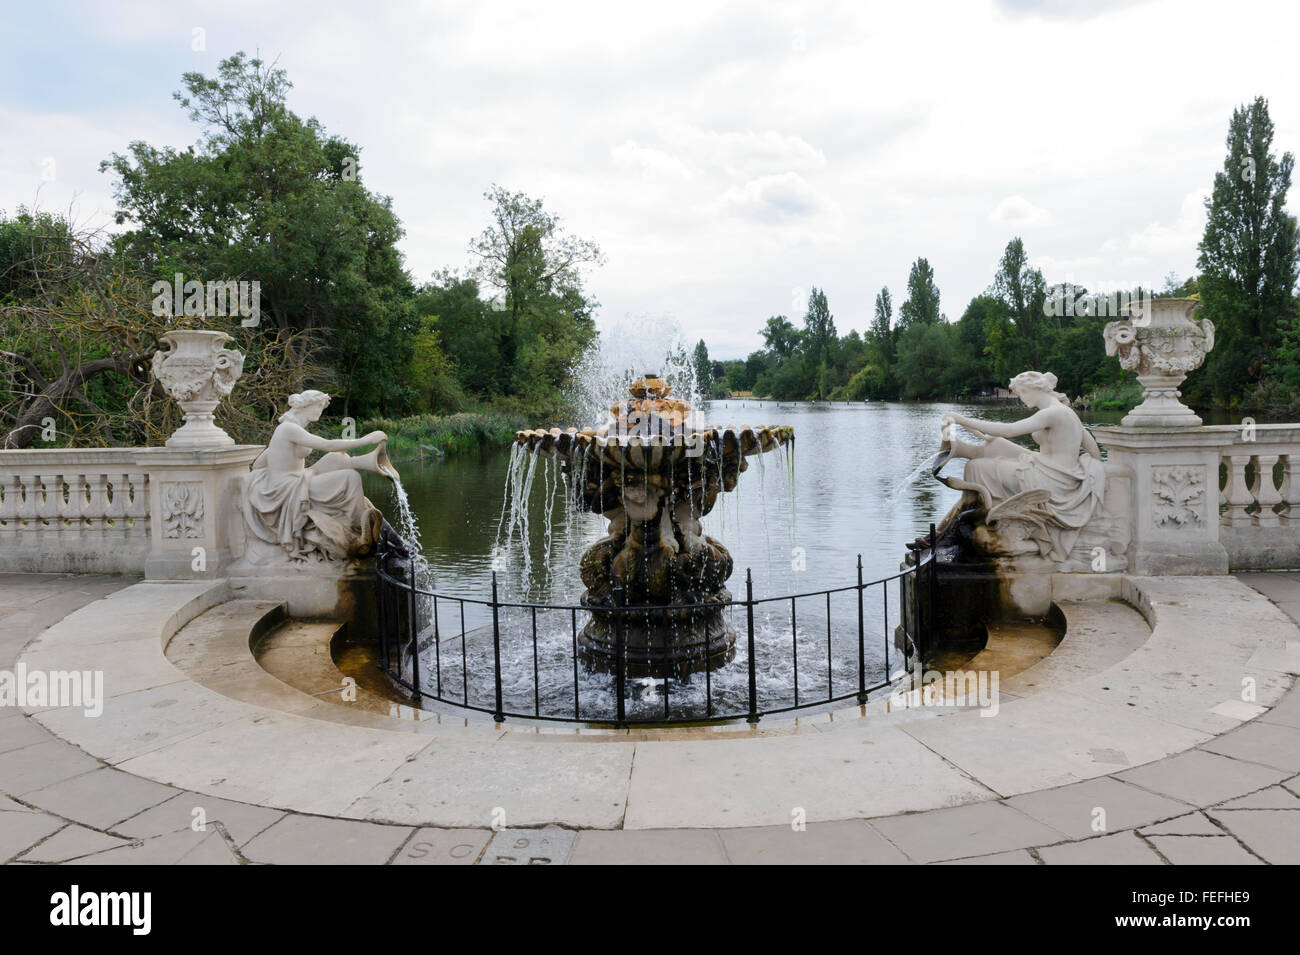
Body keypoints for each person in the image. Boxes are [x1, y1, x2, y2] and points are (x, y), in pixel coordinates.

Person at [940, 371, 1105, 563]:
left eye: (1022, 393)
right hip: (1056, 472)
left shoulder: (1053, 413)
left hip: (1053, 481)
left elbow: (1009, 430)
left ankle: (988, 523)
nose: (1021, 398)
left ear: (1035, 389)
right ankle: (963, 449)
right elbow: (1095, 452)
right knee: (997, 444)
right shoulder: (1067, 412)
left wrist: (962, 420)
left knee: (977, 468)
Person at [243, 390, 388, 561]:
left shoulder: (288, 429)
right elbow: (327, 444)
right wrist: (366, 439)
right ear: (307, 406)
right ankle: (356, 528)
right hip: (288, 487)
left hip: (296, 479)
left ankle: (366, 465)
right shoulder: (289, 429)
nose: (321, 410)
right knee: (351, 478)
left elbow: (260, 463)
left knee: (337, 458)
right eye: (319, 406)